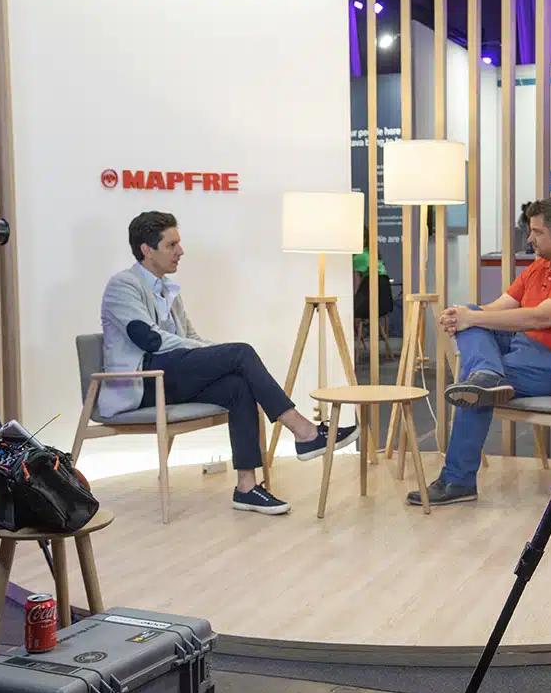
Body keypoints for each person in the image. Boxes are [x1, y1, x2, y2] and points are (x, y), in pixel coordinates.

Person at [100, 212, 358, 515]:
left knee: (237, 385)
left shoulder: (167, 289)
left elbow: (189, 337)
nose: (180, 251)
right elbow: (150, 340)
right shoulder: (123, 285)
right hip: (143, 383)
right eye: (171, 245)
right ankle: (304, 432)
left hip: (170, 376)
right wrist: (220, 354)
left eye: (178, 244)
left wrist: (215, 354)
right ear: (147, 249)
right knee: (240, 353)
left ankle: (246, 488)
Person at [410, 199, 551, 507]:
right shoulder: (540, 267)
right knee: (475, 320)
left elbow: (540, 318)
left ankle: (458, 479)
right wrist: (463, 316)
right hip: (523, 351)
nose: (530, 238)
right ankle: (487, 375)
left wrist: (471, 318)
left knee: (473, 384)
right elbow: (497, 308)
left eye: (537, 232)